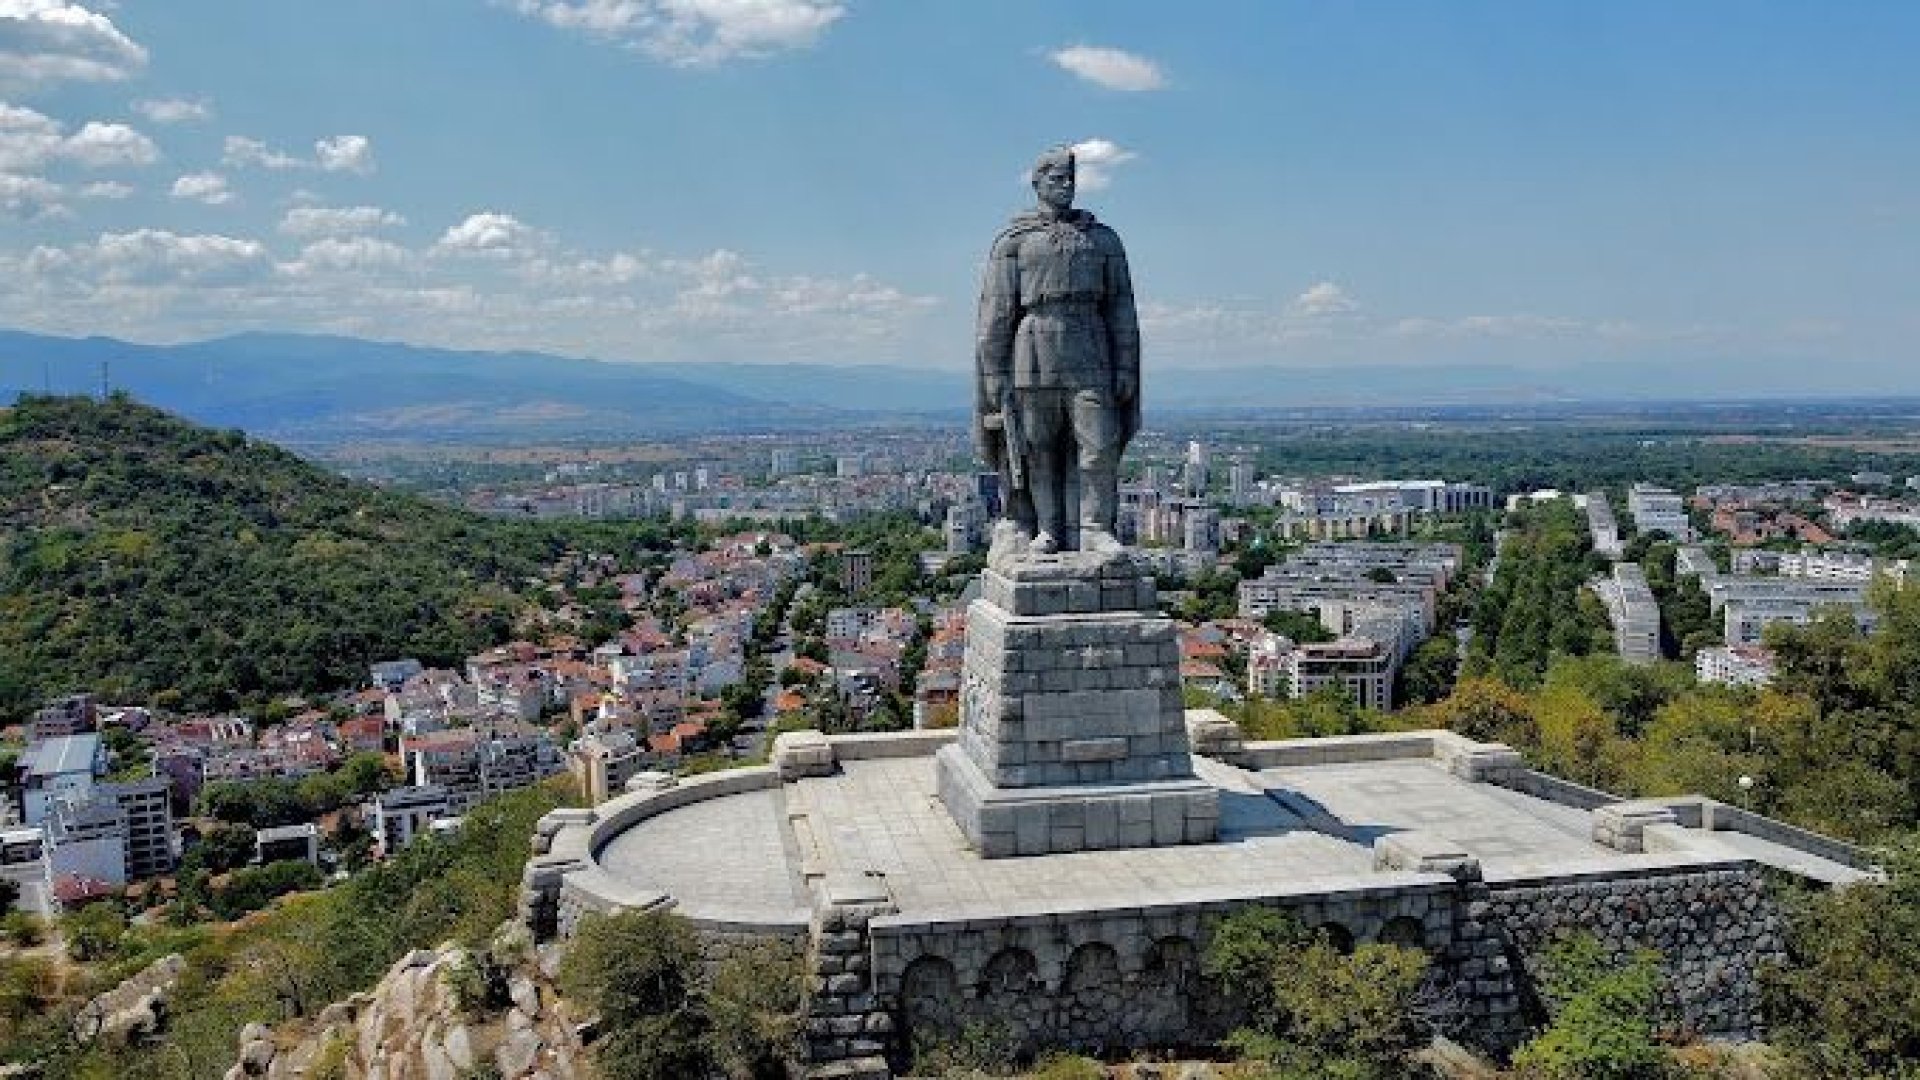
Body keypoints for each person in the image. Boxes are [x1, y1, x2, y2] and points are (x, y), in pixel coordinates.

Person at [974, 145, 1141, 558]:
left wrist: (1125, 363)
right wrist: (994, 374)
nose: (1066, 186)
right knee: (1037, 449)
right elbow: (996, 311)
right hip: (1033, 348)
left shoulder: (1102, 239)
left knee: (1098, 445)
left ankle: (1095, 528)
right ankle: (1047, 528)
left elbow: (1121, 305)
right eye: (1056, 179)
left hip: (1091, 344)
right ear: (1036, 184)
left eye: (1071, 178)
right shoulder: (1014, 241)